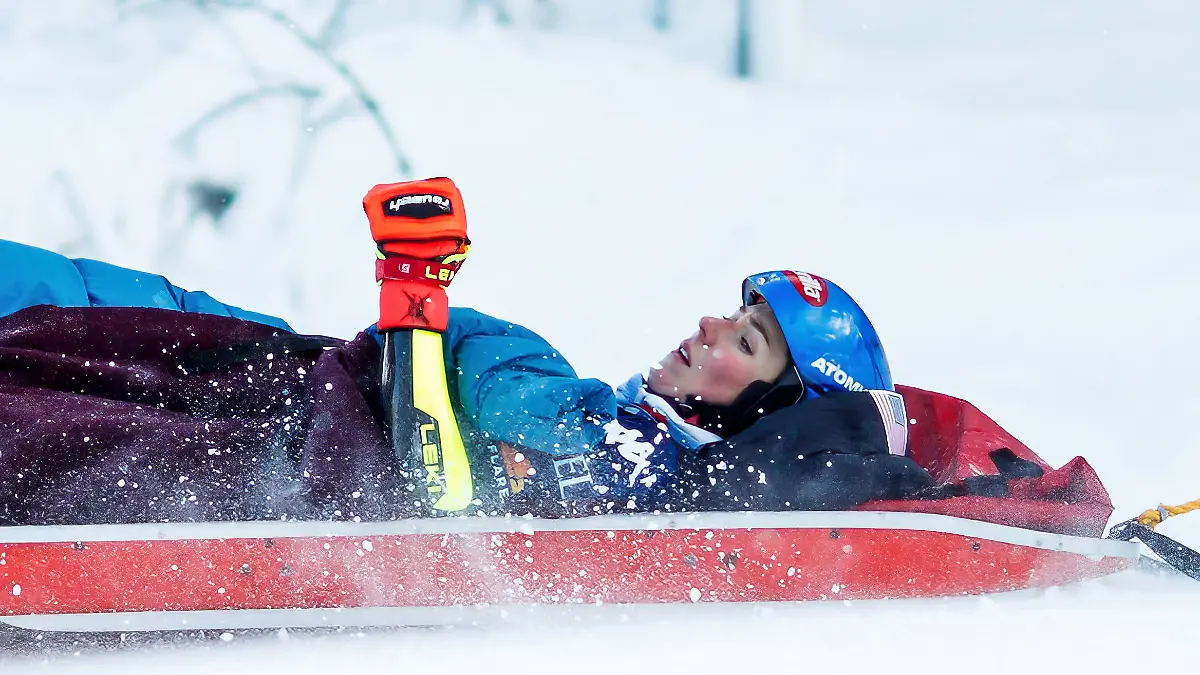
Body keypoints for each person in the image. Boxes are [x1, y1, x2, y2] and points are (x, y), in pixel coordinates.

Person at [0, 234, 929, 525]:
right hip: (312, 381)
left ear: (768, 407)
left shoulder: (644, 462)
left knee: (49, 399)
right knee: (79, 321)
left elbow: (497, 382)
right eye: (734, 312)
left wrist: (438, 325)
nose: (710, 327)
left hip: (290, 444)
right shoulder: (602, 414)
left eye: (750, 340)